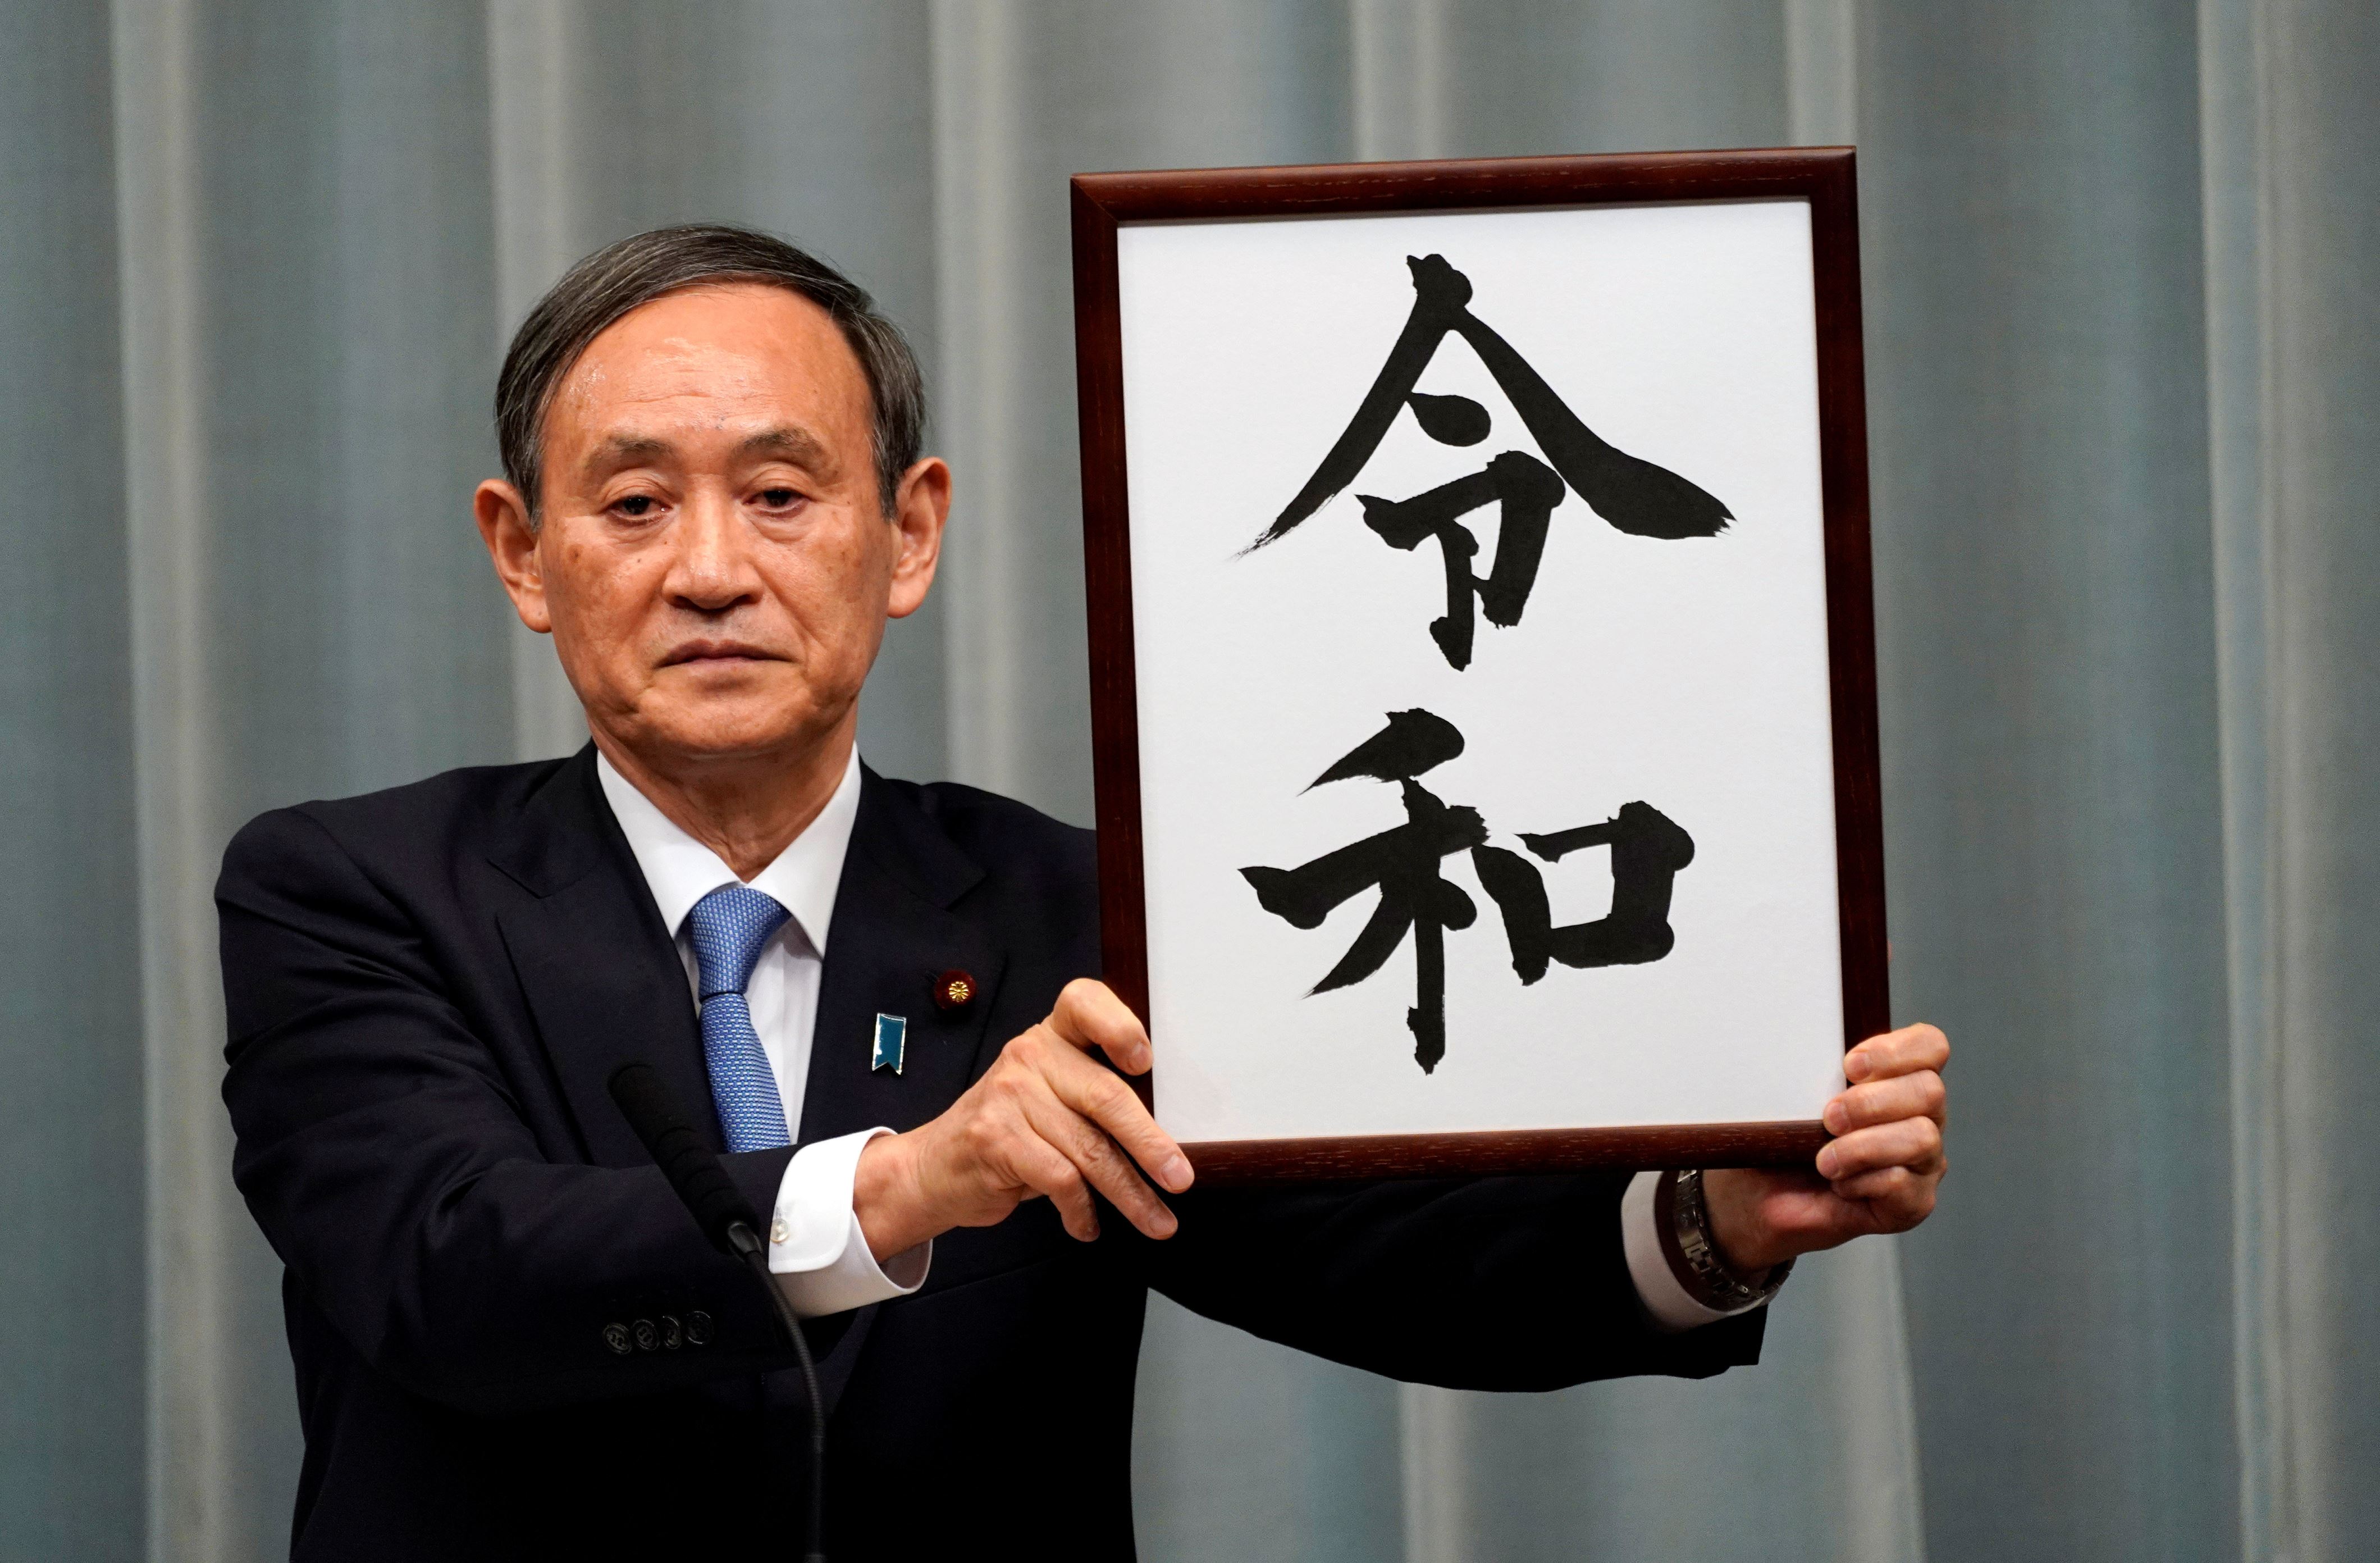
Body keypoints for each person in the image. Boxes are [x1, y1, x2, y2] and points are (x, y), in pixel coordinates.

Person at [217, 225, 1949, 1561]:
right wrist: (916, 1180)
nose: (713, 570)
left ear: (908, 533)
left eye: (780, 493)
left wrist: (1715, 1217)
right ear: (524, 552)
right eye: (637, 503)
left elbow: (1371, 1250)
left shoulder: (1080, 920)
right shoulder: (353, 893)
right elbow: (448, 1269)